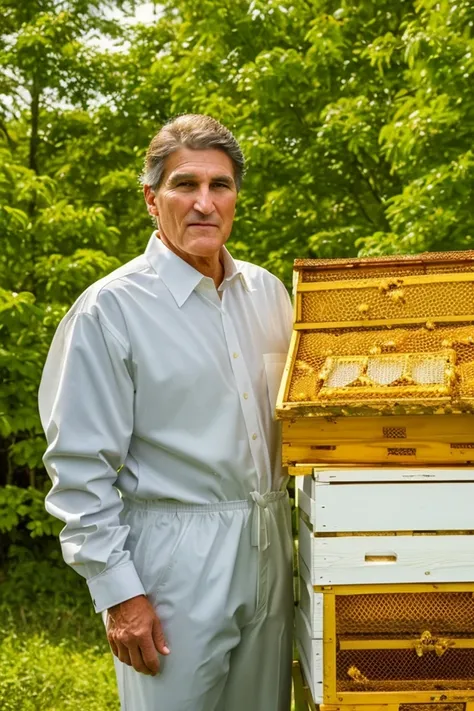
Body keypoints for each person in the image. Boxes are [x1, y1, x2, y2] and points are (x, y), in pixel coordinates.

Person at [39, 114, 294, 711]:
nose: (204, 203)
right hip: (174, 561)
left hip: (271, 546)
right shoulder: (111, 310)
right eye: (186, 185)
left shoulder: (271, 294)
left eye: (220, 186)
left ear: (236, 198)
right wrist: (119, 594)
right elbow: (79, 471)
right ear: (153, 200)